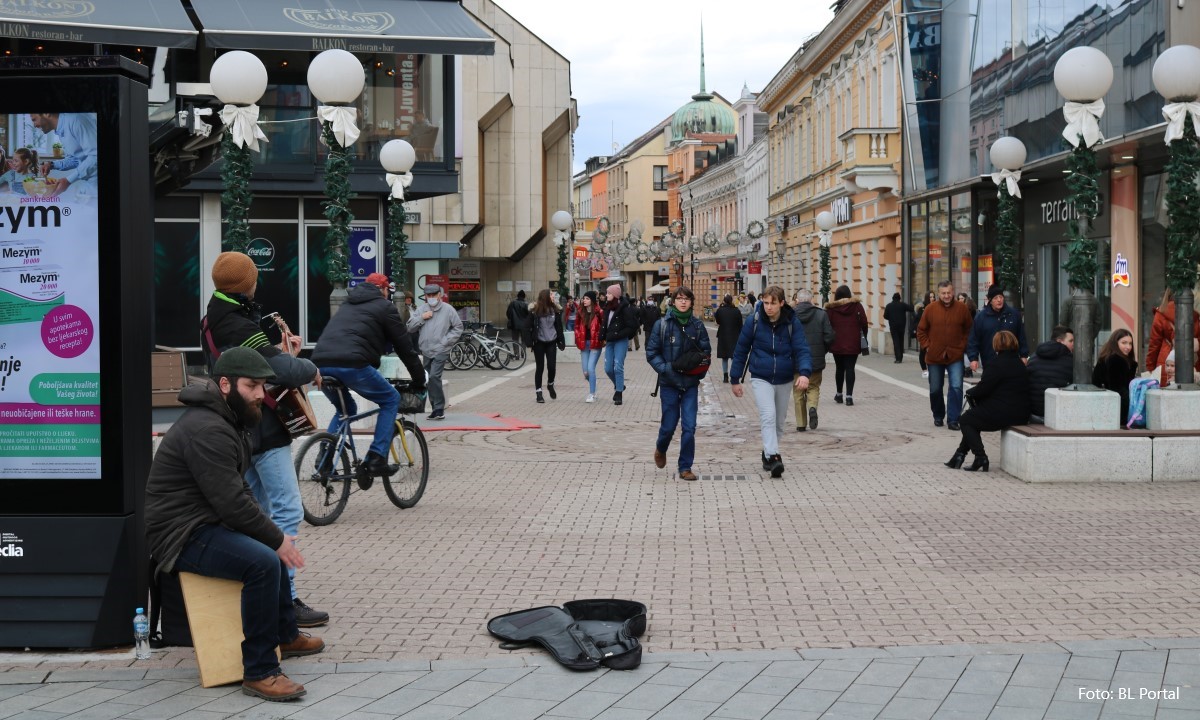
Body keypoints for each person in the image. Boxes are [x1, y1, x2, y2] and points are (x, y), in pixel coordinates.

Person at [145, 347, 324, 702]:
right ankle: (260, 671)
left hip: (204, 520)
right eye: (252, 386)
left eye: (263, 386)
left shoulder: (228, 419)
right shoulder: (207, 429)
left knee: (269, 553)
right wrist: (276, 540)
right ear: (225, 384)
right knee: (262, 562)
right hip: (180, 534)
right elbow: (231, 502)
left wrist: (270, 537)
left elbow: (236, 491)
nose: (261, 394)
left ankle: (285, 635)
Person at [201, 251, 328, 628]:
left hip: (241, 425)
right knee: (286, 510)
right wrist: (310, 366)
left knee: (255, 513)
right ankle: (283, 599)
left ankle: (259, 590)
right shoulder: (239, 323)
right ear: (247, 284)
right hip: (262, 427)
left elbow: (258, 363)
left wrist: (281, 354)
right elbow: (280, 369)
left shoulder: (214, 316)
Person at [312, 273, 426, 484]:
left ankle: (325, 460)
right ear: (384, 290)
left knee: (346, 410)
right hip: (353, 364)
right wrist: (419, 379)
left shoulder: (347, 305)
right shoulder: (385, 307)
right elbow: (405, 349)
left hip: (320, 364)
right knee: (390, 399)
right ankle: (376, 457)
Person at [730, 285, 813, 478]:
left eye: (773, 303)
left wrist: (805, 373)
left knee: (779, 422)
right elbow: (741, 349)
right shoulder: (754, 321)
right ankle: (775, 456)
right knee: (768, 415)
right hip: (761, 376)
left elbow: (802, 349)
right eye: (766, 303)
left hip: (784, 377)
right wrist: (735, 378)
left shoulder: (792, 322)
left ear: (782, 303)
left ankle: (767, 453)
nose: (768, 307)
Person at [646, 286, 711, 482]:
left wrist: (699, 372)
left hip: (690, 383)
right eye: (679, 299)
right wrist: (665, 368)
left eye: (686, 299)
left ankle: (685, 467)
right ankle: (661, 448)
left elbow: (706, 354)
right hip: (669, 383)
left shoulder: (698, 326)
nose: (683, 302)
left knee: (689, 426)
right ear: (672, 302)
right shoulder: (662, 325)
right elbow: (651, 353)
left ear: (691, 302)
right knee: (668, 425)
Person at [944, 331, 1029, 473]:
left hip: (1005, 413)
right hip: (1021, 412)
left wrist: (970, 392)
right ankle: (959, 456)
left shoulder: (996, 364)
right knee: (973, 419)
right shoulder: (1019, 364)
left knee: (966, 420)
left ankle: (980, 457)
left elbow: (984, 388)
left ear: (996, 346)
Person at [916, 281, 974, 431]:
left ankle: (953, 419)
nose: (946, 296)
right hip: (934, 356)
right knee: (935, 389)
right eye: (943, 293)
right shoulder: (930, 309)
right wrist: (928, 346)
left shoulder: (962, 309)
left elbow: (969, 329)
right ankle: (938, 415)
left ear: (953, 292)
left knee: (956, 387)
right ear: (938, 293)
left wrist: (962, 346)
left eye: (949, 292)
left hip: (955, 355)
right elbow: (921, 331)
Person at [407, 284, 463, 420]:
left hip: (441, 349)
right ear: (425, 297)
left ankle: (438, 408)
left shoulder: (448, 309)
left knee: (434, 377)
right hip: (426, 350)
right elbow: (409, 327)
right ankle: (435, 408)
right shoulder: (421, 309)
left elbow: (458, 327)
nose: (431, 298)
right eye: (429, 295)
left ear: (439, 295)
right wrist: (422, 318)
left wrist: (445, 342)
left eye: (434, 295)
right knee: (428, 380)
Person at [792, 288, 834, 431]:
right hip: (815, 359)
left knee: (798, 391)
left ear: (797, 300)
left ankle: (801, 424)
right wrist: (823, 350)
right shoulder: (821, 314)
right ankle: (812, 408)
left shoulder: (790, 315)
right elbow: (829, 336)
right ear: (811, 300)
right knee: (813, 387)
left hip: (795, 359)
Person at [30, 112, 97, 197]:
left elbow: (95, 156)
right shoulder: (61, 129)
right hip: (89, 185)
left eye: (34, 120)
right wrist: (51, 164)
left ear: (47, 114)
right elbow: (76, 159)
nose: (34, 125)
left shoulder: (76, 119)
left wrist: (68, 181)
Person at [967, 285, 1029, 372]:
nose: (999, 300)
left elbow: (1021, 336)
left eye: (1001, 297)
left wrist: (1024, 355)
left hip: (1012, 361)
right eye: (996, 298)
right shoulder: (981, 317)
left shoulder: (1014, 315)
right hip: (990, 360)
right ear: (990, 301)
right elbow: (974, 339)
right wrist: (973, 358)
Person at [825, 285, 868, 406]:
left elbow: (827, 326)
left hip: (837, 343)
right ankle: (849, 397)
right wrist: (863, 336)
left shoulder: (832, 309)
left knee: (839, 368)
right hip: (853, 343)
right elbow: (864, 323)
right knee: (850, 368)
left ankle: (839, 394)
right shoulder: (857, 306)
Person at [1147, 287, 1200, 378]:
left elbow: (1154, 344)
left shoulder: (1161, 313)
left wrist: (1150, 367)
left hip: (1166, 362)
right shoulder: (1195, 315)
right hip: (1188, 362)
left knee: (1166, 390)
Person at [1026, 325, 1075, 423]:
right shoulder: (1070, 361)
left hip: (1033, 413)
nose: (1074, 344)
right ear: (1060, 342)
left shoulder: (1034, 357)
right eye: (1071, 341)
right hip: (1058, 414)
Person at [601, 283, 640, 405]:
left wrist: (621, 335)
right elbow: (605, 325)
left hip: (620, 341)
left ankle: (619, 393)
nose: (606, 295)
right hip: (610, 341)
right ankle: (620, 385)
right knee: (608, 369)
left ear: (615, 295)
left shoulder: (625, 308)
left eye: (609, 293)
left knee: (618, 366)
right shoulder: (607, 307)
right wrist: (602, 336)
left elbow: (632, 326)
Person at [1092, 328, 1139, 425]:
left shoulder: (1106, 357)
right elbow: (1119, 389)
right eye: (1124, 343)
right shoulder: (1117, 360)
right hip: (1117, 411)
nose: (1128, 347)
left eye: (1130, 343)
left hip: (1104, 407)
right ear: (1115, 343)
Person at [527, 288, 566, 402]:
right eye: (552, 295)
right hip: (539, 342)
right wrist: (529, 342)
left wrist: (561, 341)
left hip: (552, 342)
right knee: (540, 367)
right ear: (546, 297)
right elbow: (526, 327)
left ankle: (550, 384)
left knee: (551, 367)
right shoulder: (535, 311)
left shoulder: (556, 310)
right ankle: (539, 393)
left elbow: (559, 327)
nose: (554, 297)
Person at [575, 290, 605, 402]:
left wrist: (600, 338)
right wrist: (578, 337)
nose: (584, 300)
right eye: (584, 298)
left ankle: (592, 394)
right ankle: (593, 382)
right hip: (584, 344)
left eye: (587, 299)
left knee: (591, 369)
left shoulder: (599, 312)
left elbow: (603, 326)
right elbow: (576, 326)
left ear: (592, 300)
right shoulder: (580, 312)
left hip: (595, 345)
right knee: (585, 372)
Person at [714, 294, 744, 384]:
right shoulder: (736, 311)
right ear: (732, 301)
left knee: (724, 357)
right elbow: (740, 324)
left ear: (724, 301)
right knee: (733, 357)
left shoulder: (720, 310)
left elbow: (718, 321)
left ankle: (725, 376)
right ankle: (733, 375)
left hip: (723, 335)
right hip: (734, 336)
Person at [883, 293, 913, 363]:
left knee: (896, 341)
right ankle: (901, 357)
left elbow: (885, 316)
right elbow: (911, 309)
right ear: (899, 298)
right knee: (901, 340)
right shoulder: (902, 305)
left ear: (892, 298)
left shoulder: (889, 306)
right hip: (902, 326)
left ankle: (898, 358)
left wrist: (891, 317)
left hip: (893, 326)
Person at [914, 291, 935, 378]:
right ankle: (924, 370)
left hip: (934, 333)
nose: (932, 298)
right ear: (927, 298)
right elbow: (919, 323)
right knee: (923, 351)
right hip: (924, 334)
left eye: (933, 297)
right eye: (930, 297)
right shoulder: (922, 309)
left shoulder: (937, 307)